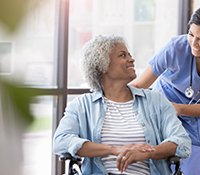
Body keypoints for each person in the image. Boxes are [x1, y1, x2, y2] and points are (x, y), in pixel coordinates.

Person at [53, 35, 191, 175]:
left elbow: (182, 141)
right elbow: (61, 141)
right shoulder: (82, 105)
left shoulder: (156, 101)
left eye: (129, 55)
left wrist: (148, 152)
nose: (131, 59)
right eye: (122, 55)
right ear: (103, 65)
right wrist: (113, 149)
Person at [131, 5, 200, 175]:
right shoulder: (176, 47)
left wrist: (177, 109)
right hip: (161, 115)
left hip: (196, 120)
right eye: (191, 35)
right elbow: (140, 85)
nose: (194, 44)